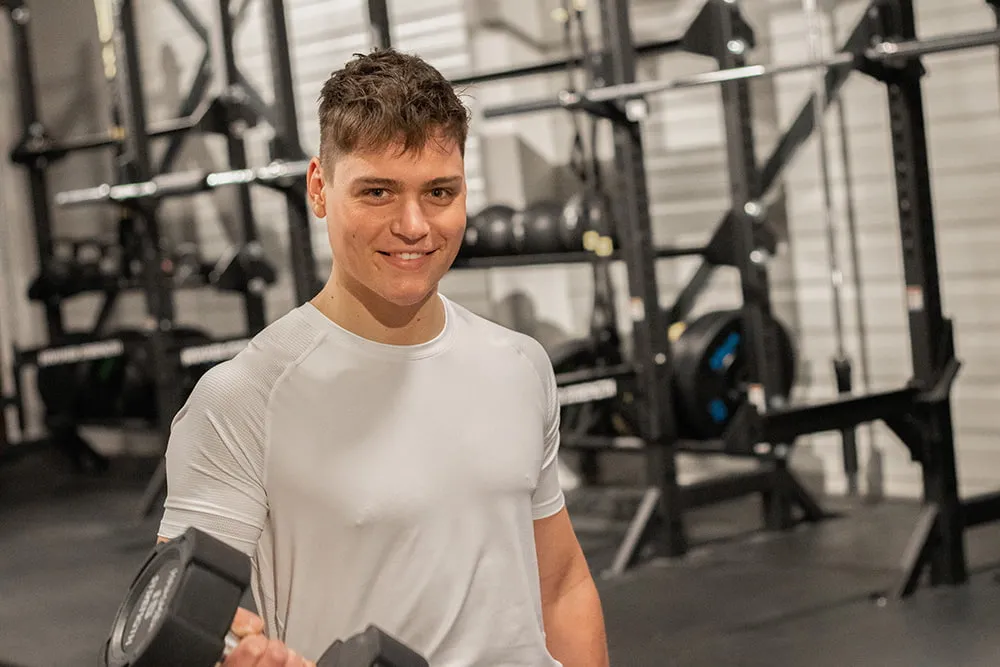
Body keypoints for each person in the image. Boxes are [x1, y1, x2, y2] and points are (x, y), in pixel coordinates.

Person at [155, 48, 610, 667]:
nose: (414, 225)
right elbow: (183, 629)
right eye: (377, 192)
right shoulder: (242, 397)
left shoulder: (521, 363)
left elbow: (561, 586)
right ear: (319, 187)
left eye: (439, 192)